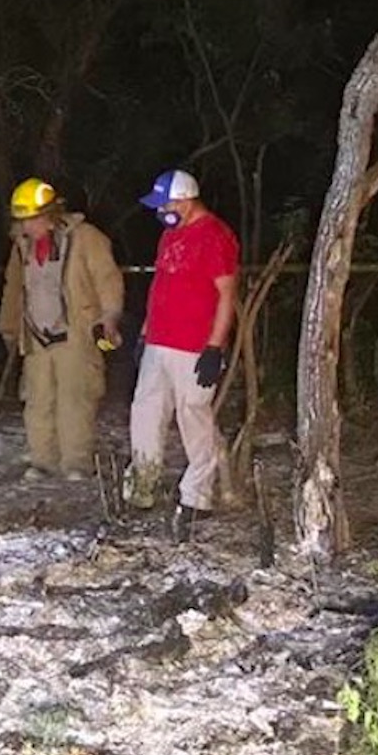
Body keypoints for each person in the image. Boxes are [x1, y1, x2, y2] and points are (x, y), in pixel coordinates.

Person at [123, 169, 239, 529]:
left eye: (167, 204)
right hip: (160, 342)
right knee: (145, 412)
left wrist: (214, 348)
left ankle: (197, 496)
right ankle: (142, 486)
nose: (162, 212)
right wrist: (145, 335)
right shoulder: (170, 235)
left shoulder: (215, 236)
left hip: (193, 346)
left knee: (194, 418)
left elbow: (226, 295)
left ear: (187, 200)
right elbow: (160, 288)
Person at [0, 177, 125, 480]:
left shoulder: (86, 238)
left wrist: (109, 316)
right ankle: (43, 460)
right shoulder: (21, 247)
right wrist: (9, 327)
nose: (27, 226)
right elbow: (14, 288)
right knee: (38, 398)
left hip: (75, 333)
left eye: (33, 219)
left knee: (76, 397)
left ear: (51, 214)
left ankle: (76, 462)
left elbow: (107, 278)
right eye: (22, 220)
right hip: (37, 335)